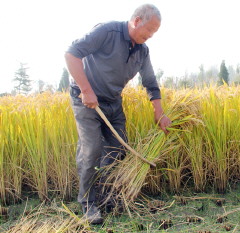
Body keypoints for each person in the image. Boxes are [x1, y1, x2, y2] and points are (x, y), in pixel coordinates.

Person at [64, 4, 171, 224]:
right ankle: (88, 203)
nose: (150, 36)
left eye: (154, 33)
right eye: (149, 30)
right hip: (87, 100)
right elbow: (72, 53)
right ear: (137, 20)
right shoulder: (108, 32)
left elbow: (150, 82)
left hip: (113, 102)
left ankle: (104, 194)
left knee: (118, 148)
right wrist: (86, 90)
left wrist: (159, 112)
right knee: (92, 148)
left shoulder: (142, 50)